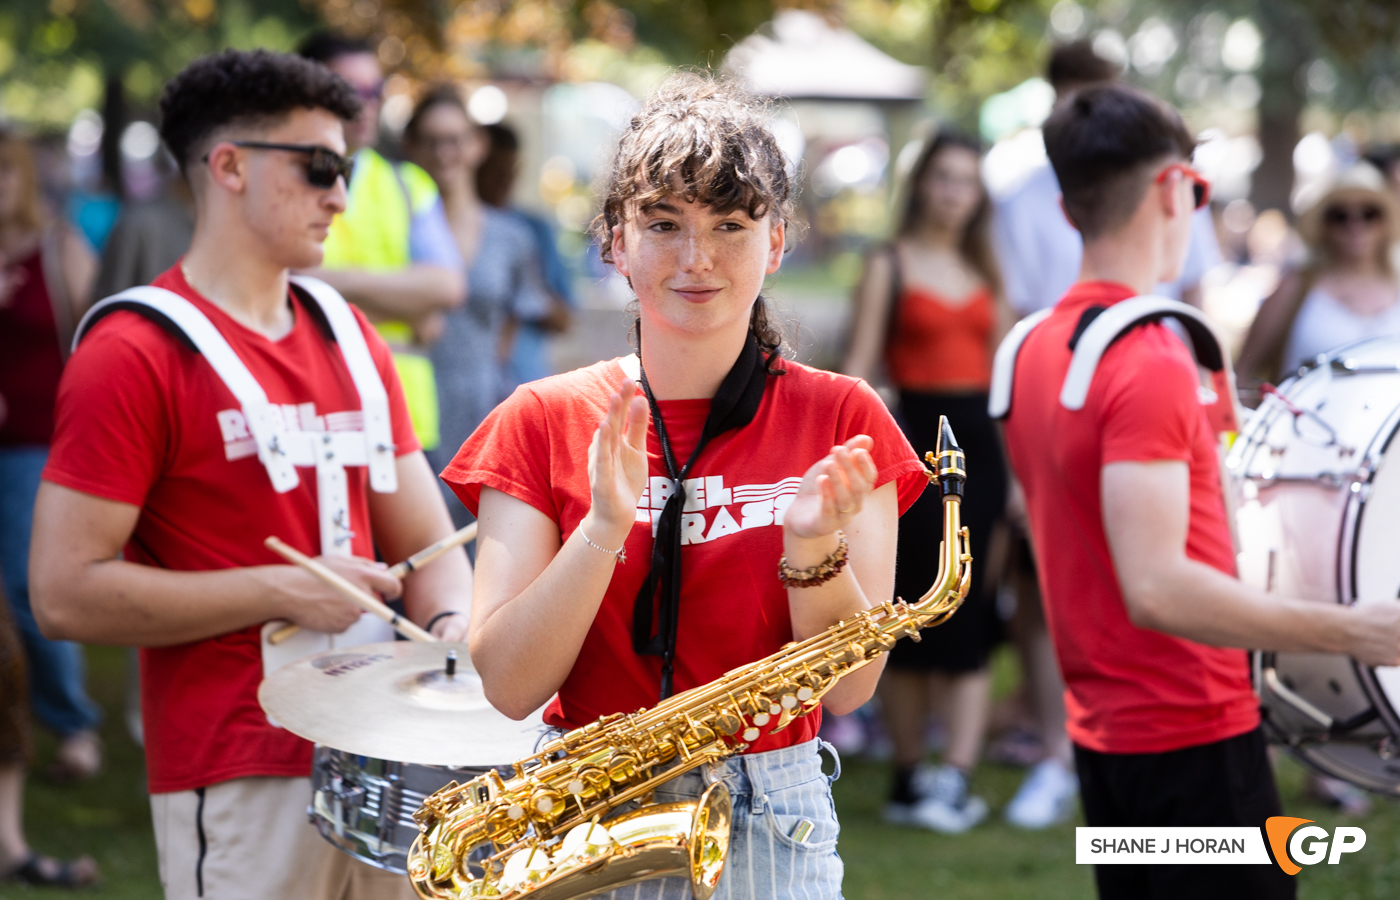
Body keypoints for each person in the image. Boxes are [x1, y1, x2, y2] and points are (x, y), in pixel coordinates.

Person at [443, 73, 929, 899]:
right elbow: (510, 684)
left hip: (771, 810)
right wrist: (601, 527)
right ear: (614, 242)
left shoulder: (843, 416)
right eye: (662, 224)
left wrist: (811, 547)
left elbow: (851, 686)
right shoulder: (540, 417)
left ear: (776, 243)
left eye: (730, 226)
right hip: (584, 812)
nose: (696, 258)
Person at [29, 50, 472, 900]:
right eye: (320, 168)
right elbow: (62, 592)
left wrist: (452, 625)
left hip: (389, 758)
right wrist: (279, 590)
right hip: (235, 761)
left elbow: (429, 542)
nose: (340, 196)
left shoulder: (349, 334)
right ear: (228, 166)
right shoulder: (132, 350)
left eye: (346, 169)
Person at [999, 82, 1400, 900]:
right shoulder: (1149, 358)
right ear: (1173, 188)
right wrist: (1353, 629)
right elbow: (1157, 587)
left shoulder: (1031, 348)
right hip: (1194, 736)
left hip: (1107, 737)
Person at [843, 131, 1012, 833]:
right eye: (942, 178)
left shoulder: (987, 272)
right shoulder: (889, 261)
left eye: (965, 181)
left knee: (970, 614)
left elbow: (1007, 382)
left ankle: (958, 778)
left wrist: (1024, 474)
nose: (952, 192)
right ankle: (909, 778)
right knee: (907, 617)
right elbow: (858, 368)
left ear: (978, 195)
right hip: (911, 442)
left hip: (981, 444)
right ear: (921, 185)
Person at [298, 32, 466, 455]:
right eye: (350, 91)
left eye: (376, 90)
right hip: (310, 417)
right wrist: (406, 304)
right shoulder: (279, 180)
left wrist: (321, 282)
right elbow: (273, 284)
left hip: (404, 421)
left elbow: (446, 287)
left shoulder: (408, 183)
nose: (366, 103)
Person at [399, 87, 554, 528]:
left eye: (456, 139)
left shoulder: (510, 236)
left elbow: (514, 322)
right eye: (430, 140)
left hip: (482, 404)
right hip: (411, 400)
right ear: (411, 147)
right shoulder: (394, 224)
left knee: (477, 550)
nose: (444, 152)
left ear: (477, 145)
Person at [0, 128, 104, 784]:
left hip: (37, 444)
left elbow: (101, 341)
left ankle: (71, 724)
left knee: (29, 585)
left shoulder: (59, 247)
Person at [993, 39, 1223, 314]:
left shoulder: (1176, 180)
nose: (1090, 127)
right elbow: (1017, 301)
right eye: (1078, 110)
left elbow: (1193, 284)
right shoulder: (1023, 199)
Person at [1236, 163, 1400, 392]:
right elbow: (1244, 372)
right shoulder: (1297, 287)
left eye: (1368, 213)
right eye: (1340, 216)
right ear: (1325, 225)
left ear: (1385, 223)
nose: (1355, 225)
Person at [476, 122, 576, 385]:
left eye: (509, 172)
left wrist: (528, 292)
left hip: (522, 379)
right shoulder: (453, 228)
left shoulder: (532, 230)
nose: (502, 180)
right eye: (494, 170)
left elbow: (564, 318)